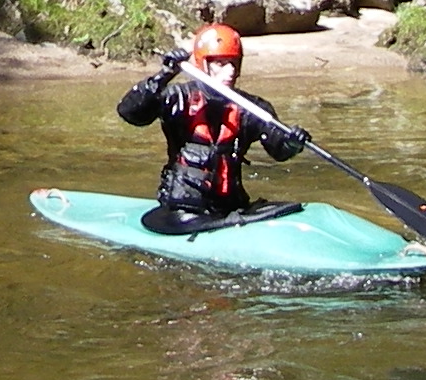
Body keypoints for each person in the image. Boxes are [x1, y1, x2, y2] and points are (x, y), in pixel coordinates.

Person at [116, 23, 312, 235]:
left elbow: (278, 151)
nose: (230, 71)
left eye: (234, 63)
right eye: (221, 63)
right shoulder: (177, 98)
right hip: (184, 209)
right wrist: (163, 76)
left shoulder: (251, 108)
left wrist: (292, 143)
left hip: (230, 206)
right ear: (203, 64)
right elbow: (130, 113)